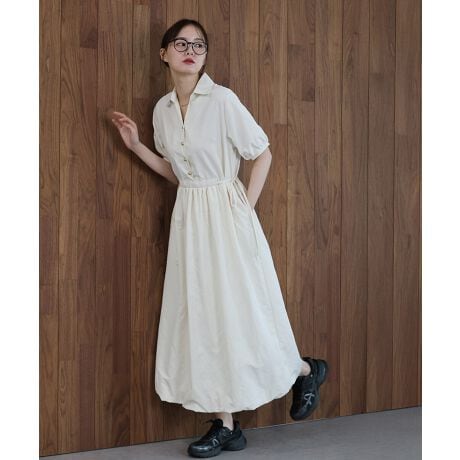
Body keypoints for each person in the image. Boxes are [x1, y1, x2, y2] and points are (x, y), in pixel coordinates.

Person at [111, 18, 329, 459]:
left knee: (242, 310)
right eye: (181, 44)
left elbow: (262, 153)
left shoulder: (223, 100)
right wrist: (135, 146)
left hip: (228, 214)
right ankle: (226, 424)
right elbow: (179, 173)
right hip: (190, 218)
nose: (190, 51)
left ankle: (306, 370)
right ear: (164, 54)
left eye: (199, 45)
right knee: (204, 315)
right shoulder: (162, 110)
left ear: (206, 55)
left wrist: (245, 206)